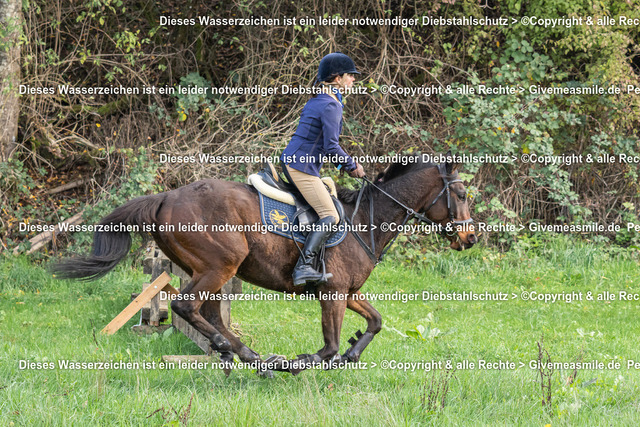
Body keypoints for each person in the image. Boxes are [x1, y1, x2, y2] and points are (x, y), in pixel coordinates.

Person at [280, 52, 366, 286]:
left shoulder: (319, 99)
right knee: (331, 215)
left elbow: (322, 145)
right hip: (301, 167)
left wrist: (342, 163)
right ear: (337, 78)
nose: (353, 80)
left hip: (295, 161)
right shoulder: (331, 105)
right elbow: (331, 146)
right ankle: (304, 267)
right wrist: (352, 166)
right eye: (350, 75)